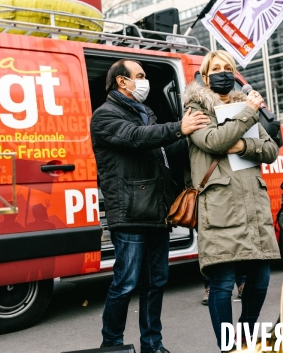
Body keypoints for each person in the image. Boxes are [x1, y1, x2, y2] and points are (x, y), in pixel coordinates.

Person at [90, 59, 210, 353]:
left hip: (157, 211)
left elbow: (165, 151)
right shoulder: (105, 116)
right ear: (122, 81)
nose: (145, 82)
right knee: (126, 283)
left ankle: (152, 345)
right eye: (140, 76)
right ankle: (112, 345)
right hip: (130, 213)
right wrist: (177, 128)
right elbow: (136, 138)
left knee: (156, 282)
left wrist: (192, 131)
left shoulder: (146, 114)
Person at [183, 50, 280, 350]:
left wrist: (243, 145)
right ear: (205, 74)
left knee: (261, 280)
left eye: (228, 67)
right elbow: (212, 141)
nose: (222, 72)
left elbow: (271, 149)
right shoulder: (195, 108)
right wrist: (248, 116)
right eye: (216, 68)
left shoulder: (243, 103)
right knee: (222, 284)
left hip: (253, 205)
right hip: (220, 207)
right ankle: (228, 346)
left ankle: (246, 334)